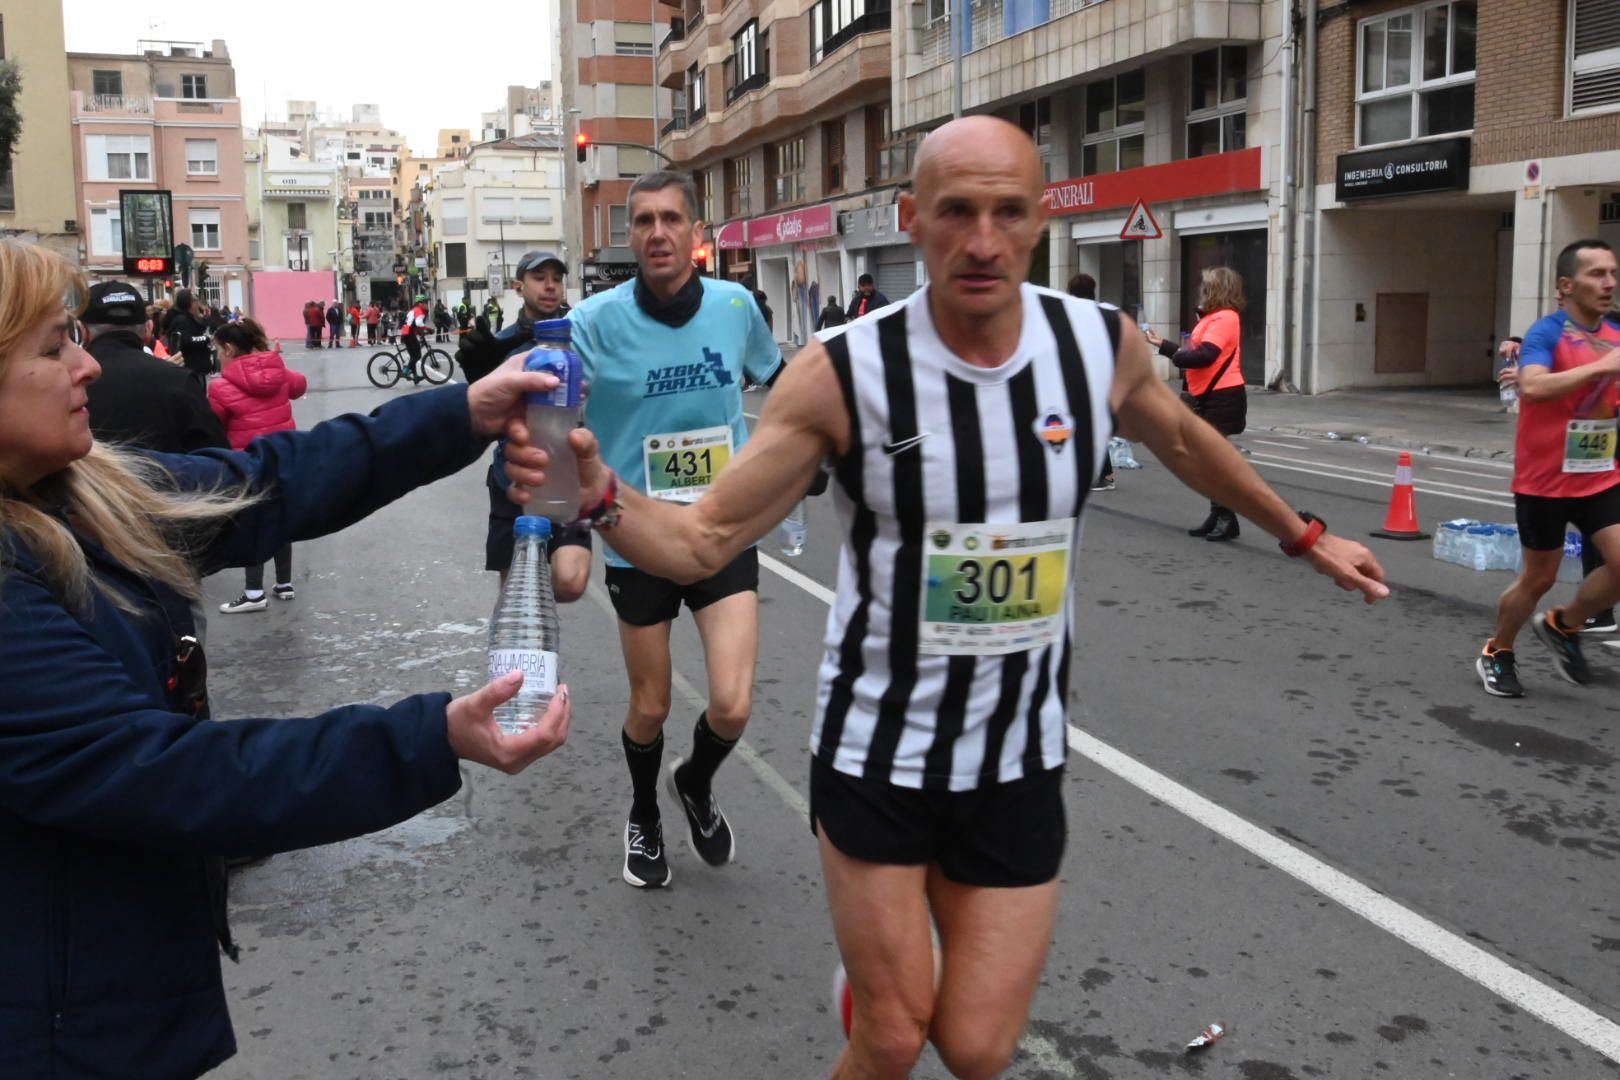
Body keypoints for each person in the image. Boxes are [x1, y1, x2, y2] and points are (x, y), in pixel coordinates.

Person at [503, 117, 1387, 1079]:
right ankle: (881, 997)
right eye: (957, 212)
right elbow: (704, 535)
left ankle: (882, 987)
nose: (981, 240)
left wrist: (1304, 535)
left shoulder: (1097, 345)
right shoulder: (845, 373)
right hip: (879, 750)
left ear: (1041, 221)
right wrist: (595, 497)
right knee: (892, 1038)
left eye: (1008, 213)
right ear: (910, 219)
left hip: (1017, 752)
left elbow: (1181, 439)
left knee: (974, 1048)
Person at [0, 237, 573, 1079]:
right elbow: (167, 775)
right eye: (54, 347)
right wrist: (432, 736)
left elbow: (274, 477)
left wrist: (467, 412)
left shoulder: (80, 494)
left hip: (110, 989)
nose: (88, 368)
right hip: (55, 1033)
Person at [560, 170, 784, 890]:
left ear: (696, 232)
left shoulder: (735, 305)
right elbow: (556, 422)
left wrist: (794, 460)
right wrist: (566, 524)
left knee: (733, 701)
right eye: (644, 221)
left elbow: (779, 386)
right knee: (651, 705)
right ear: (630, 236)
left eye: (671, 219)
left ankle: (695, 782)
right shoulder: (594, 321)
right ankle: (643, 814)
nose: (657, 232)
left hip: (722, 527)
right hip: (639, 535)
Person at [1476, 239, 1620, 697]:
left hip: (1598, 474)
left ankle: (1564, 625)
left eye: (1613, 272)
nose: (1610, 283)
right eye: (1597, 273)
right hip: (1544, 481)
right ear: (1565, 285)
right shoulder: (1546, 334)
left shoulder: (1617, 334)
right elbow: (1534, 388)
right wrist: (1602, 368)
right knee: (1539, 577)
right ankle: (1497, 651)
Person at [456, 250, 590, 599]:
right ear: (518, 286)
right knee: (515, 592)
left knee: (569, 581)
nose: (550, 286)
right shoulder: (500, 344)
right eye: (539, 278)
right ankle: (525, 642)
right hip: (512, 478)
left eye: (557, 279)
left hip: (565, 476)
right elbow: (480, 418)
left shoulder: (581, 338)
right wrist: (477, 377)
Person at [208, 318, 309, 613]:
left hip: (247, 462)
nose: (217, 356)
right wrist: (275, 366)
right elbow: (299, 384)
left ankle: (254, 593)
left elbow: (216, 426)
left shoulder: (221, 387)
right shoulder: (277, 371)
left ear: (228, 348)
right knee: (281, 520)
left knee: (253, 524)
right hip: (284, 456)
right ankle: (284, 583)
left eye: (218, 350)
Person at [1146, 267, 1248, 541]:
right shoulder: (1213, 318)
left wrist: (1177, 356)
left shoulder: (1225, 318)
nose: (1201, 290)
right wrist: (1164, 345)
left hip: (1221, 398)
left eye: (1206, 286)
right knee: (1206, 460)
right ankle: (1218, 514)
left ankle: (1226, 518)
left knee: (1212, 461)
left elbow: (1204, 356)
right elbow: (1195, 352)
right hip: (1208, 396)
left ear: (1217, 290)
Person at [81, 281, 229, 456]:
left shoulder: (69, 383)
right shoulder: (178, 380)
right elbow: (218, 460)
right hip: (166, 481)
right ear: (148, 329)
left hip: (92, 483)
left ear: (82, 331)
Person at [1067, 272, 1116, 492]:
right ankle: (1098, 471)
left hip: (1081, 376)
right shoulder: (1106, 312)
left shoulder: (1071, 312)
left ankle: (1104, 473)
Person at [166, 288, 216, 383]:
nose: (197, 304)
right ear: (188, 303)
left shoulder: (188, 318)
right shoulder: (182, 320)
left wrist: (205, 319)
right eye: (194, 300)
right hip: (190, 369)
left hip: (195, 369)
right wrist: (206, 338)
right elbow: (187, 340)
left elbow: (197, 330)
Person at [401, 293, 432, 373]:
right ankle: (406, 370)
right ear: (420, 303)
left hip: (406, 333)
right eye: (425, 303)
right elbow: (418, 323)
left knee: (413, 357)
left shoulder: (413, 310)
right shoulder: (419, 310)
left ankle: (415, 377)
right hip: (409, 334)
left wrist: (421, 332)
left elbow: (413, 324)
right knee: (417, 356)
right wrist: (428, 329)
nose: (426, 305)